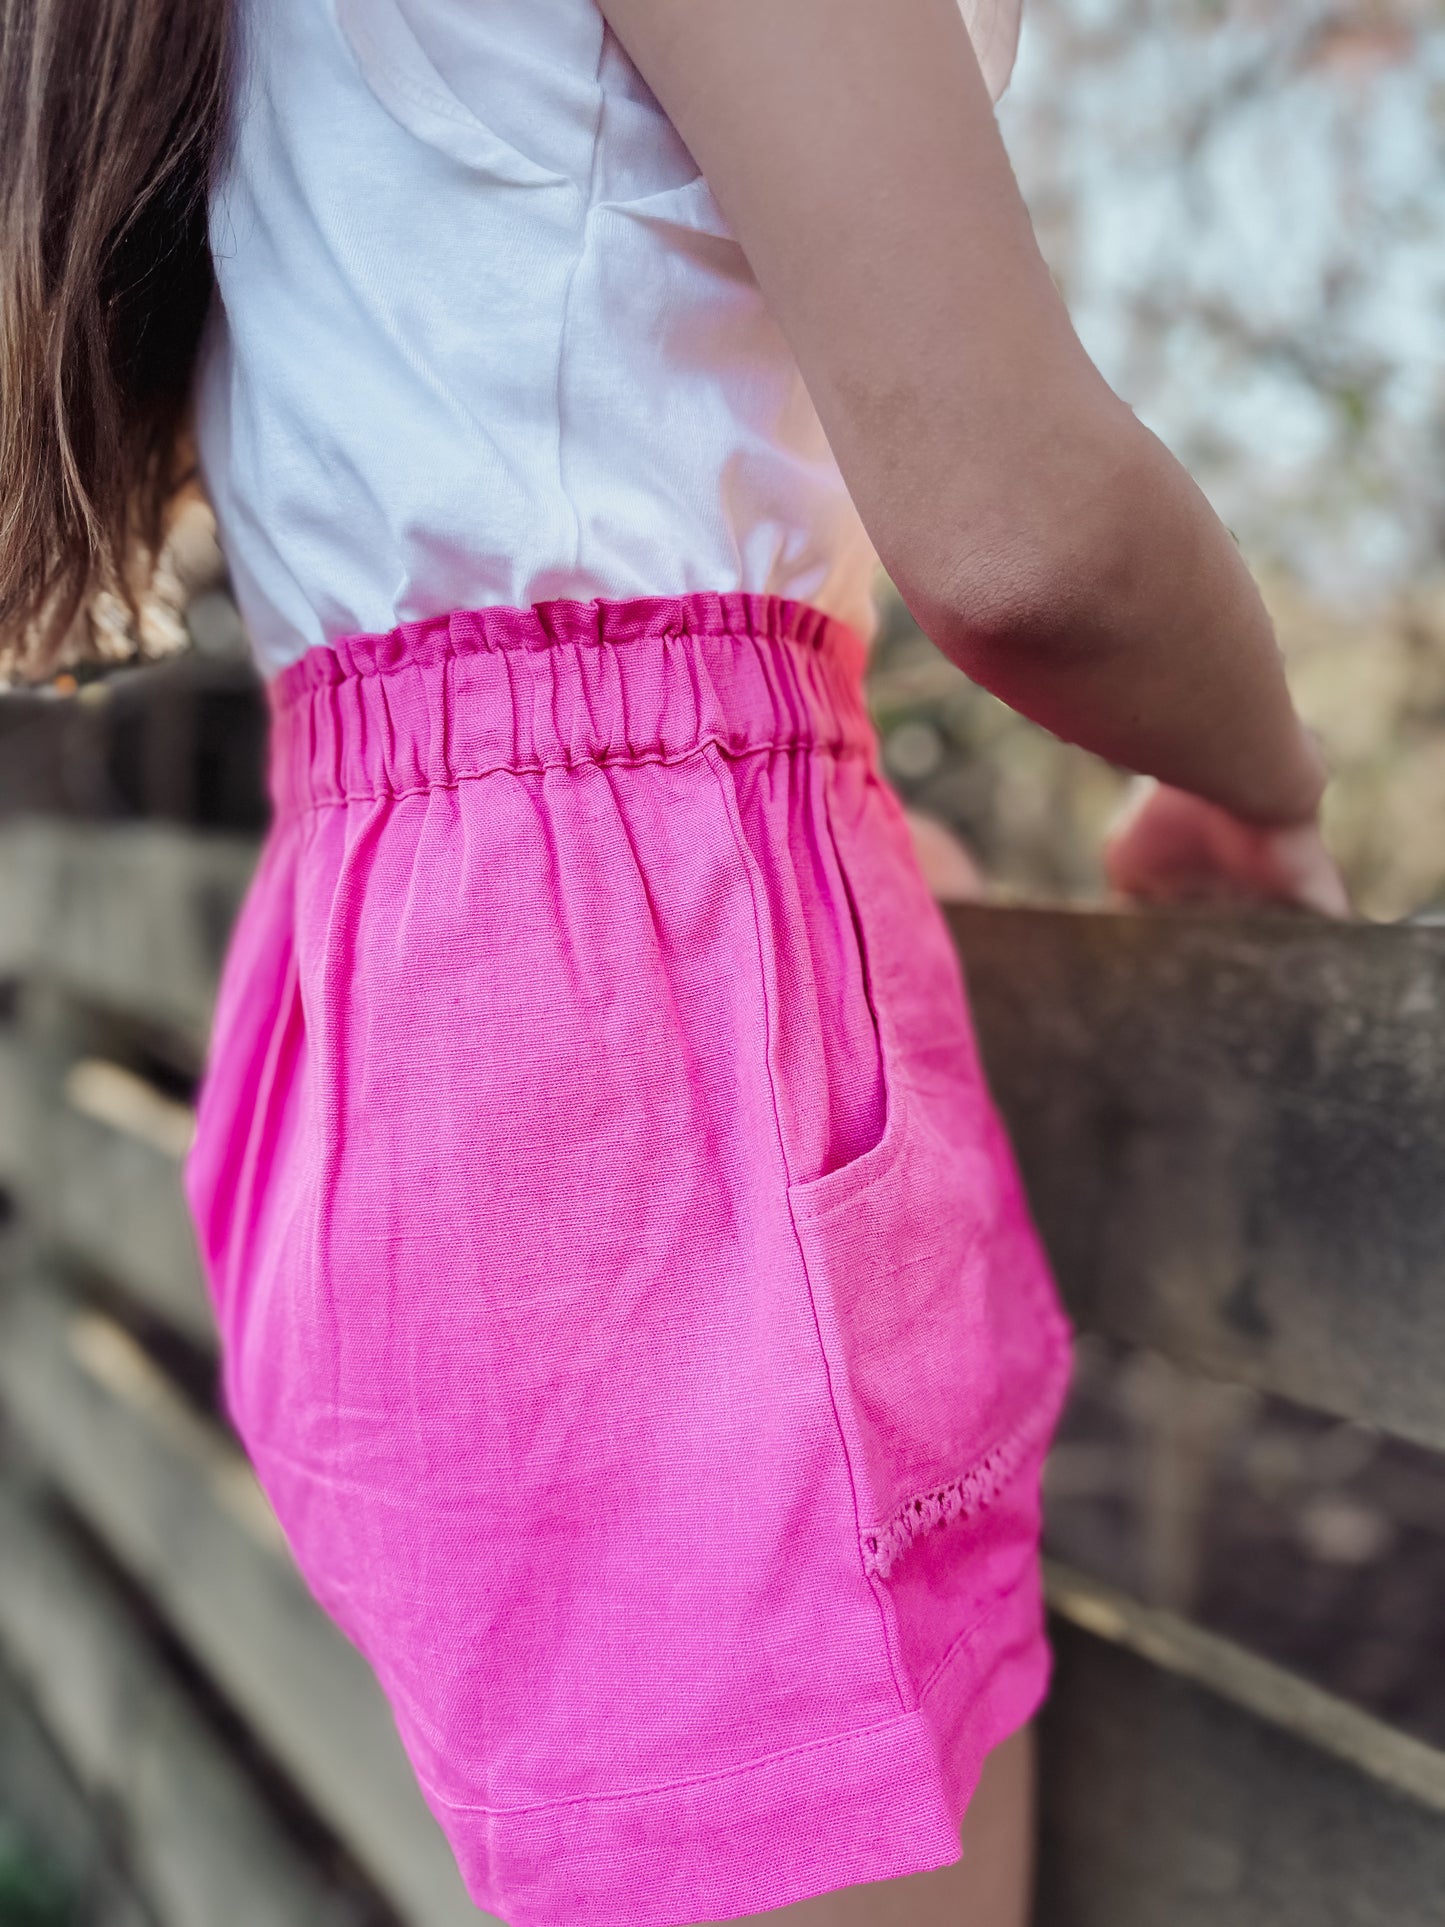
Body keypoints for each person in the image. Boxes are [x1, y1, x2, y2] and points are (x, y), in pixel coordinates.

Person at [0, 1, 1348, 1923]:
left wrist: (814, 812)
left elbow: (524, 446)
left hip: (402, 1014)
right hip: (637, 1079)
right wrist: (1257, 788)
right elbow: (1024, 536)